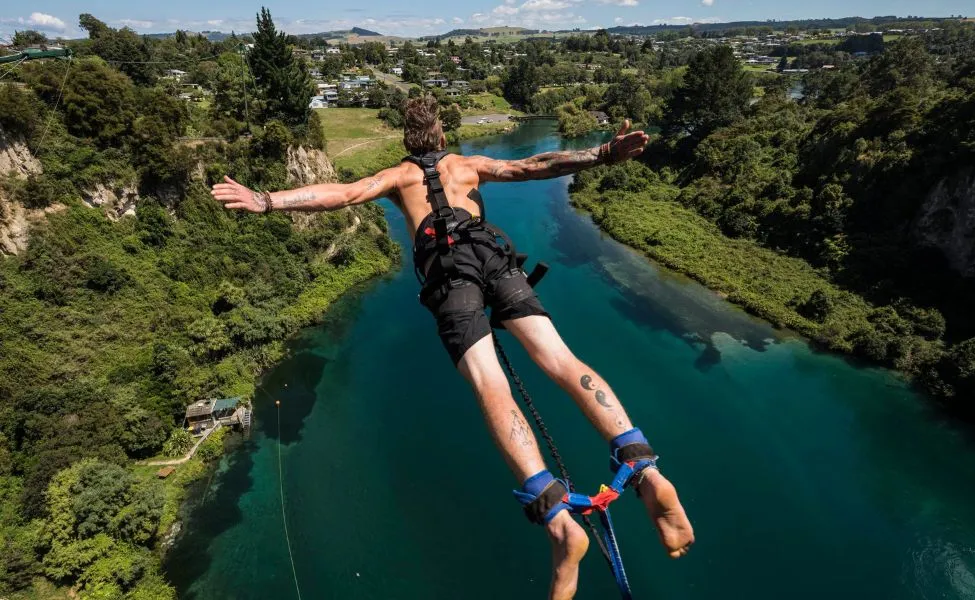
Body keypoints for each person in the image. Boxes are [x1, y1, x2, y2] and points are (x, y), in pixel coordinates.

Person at [211, 96, 694, 600]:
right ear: (441, 137)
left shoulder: (398, 178)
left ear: (407, 140)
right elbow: (534, 165)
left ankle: (558, 520)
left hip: (450, 278)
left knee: (491, 383)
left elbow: (342, 193)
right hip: (496, 258)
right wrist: (602, 155)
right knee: (561, 360)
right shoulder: (467, 165)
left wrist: (267, 200)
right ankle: (641, 464)